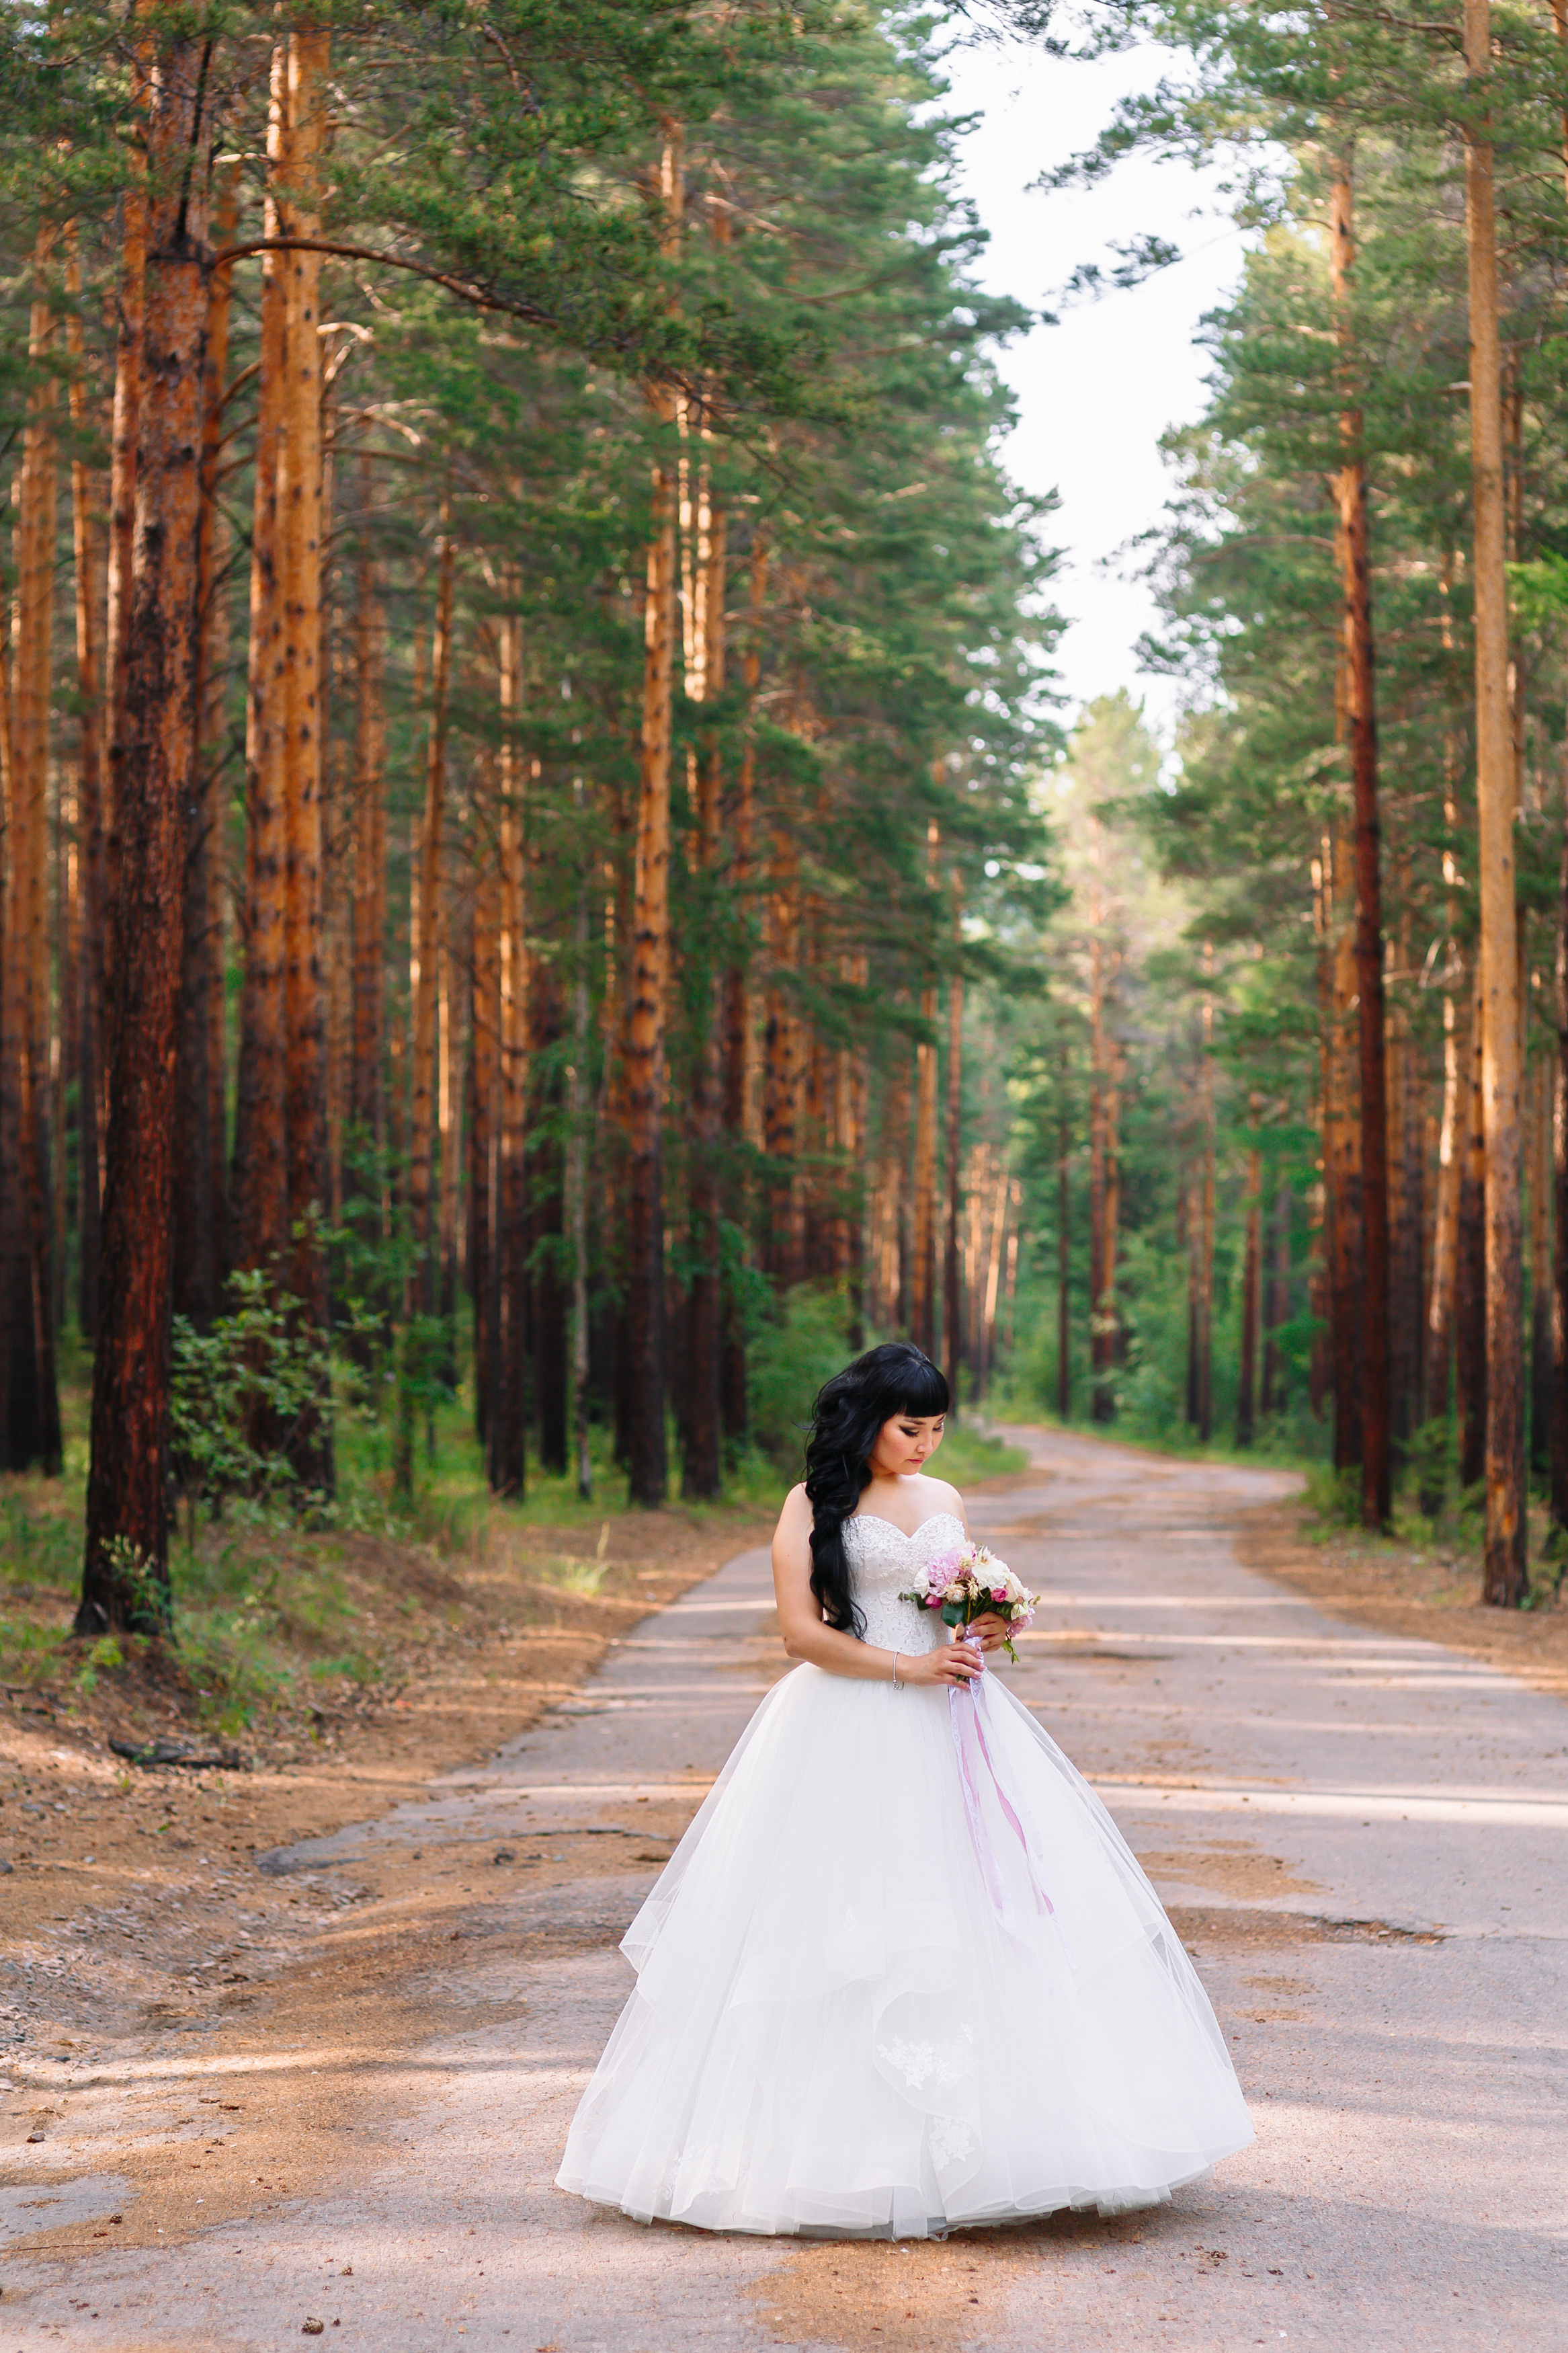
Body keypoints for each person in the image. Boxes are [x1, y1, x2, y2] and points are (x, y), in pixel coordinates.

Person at [556, 1341, 1253, 2239]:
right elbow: (799, 1636)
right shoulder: (811, 1504)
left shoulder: (945, 1500)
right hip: (846, 1717)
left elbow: (949, 1604)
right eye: (908, 1427)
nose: (924, 1445)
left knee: (978, 1909)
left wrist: (986, 1625)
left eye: (935, 1429)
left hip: (953, 1720)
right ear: (867, 1419)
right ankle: (833, 2155)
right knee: (843, 1922)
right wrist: (902, 1667)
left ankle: (1020, 2141)